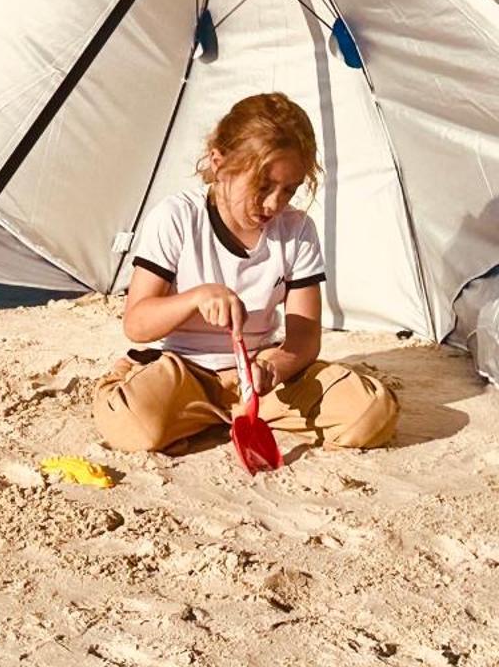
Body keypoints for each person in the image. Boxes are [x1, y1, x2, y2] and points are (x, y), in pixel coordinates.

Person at [93, 92, 398, 454]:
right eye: (263, 185)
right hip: (182, 372)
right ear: (219, 163)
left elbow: (303, 342)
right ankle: (182, 405)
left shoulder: (298, 230)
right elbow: (137, 324)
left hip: (258, 377)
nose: (274, 203)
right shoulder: (177, 218)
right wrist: (195, 298)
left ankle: (214, 417)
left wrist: (272, 369)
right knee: (135, 425)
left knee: (372, 414)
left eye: (290, 190)